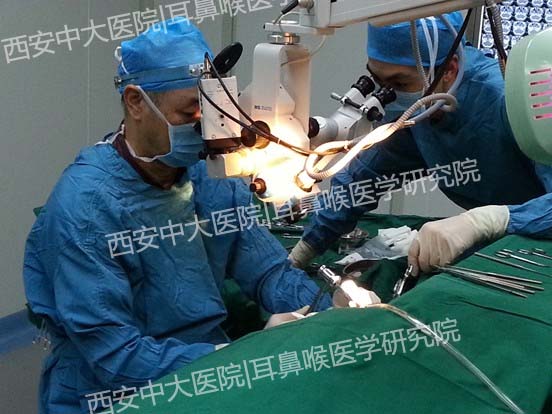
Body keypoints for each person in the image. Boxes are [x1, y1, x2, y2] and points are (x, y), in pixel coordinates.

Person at [23, 19, 335, 414]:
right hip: (116, 393)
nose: (205, 127)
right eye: (190, 112)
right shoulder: (85, 209)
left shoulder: (210, 174)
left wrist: (332, 316)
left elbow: (268, 273)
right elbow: (116, 358)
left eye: (213, 112)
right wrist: (239, 357)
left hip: (206, 367)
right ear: (136, 102)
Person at [289, 12, 552, 276]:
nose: (387, 95)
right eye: (377, 82)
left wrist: (490, 221)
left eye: (399, 82)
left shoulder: (510, 101)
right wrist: (306, 248)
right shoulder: (418, 110)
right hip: (504, 249)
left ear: (450, 70)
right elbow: (362, 181)